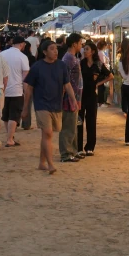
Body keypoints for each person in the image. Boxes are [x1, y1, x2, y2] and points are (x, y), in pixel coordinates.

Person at [22, 39, 77, 175]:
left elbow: (67, 84)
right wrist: (25, 107)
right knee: (48, 133)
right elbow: (29, 88)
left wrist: (73, 99)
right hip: (41, 104)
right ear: (45, 52)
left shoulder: (61, 66)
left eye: (56, 49)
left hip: (56, 104)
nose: (55, 51)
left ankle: (42, 162)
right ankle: (50, 164)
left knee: (48, 134)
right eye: (52, 49)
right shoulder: (37, 67)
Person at [80, 43, 111, 156]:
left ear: (92, 51)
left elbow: (110, 76)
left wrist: (98, 84)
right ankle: (79, 147)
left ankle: (90, 147)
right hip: (81, 94)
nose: (84, 50)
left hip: (92, 95)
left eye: (87, 49)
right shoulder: (81, 63)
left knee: (91, 121)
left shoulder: (98, 64)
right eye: (84, 49)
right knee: (79, 121)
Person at [0, 35, 31, 147]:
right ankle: (9, 139)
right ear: (22, 44)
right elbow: (25, 77)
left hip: (3, 89)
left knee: (6, 114)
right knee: (14, 115)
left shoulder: (2, 54)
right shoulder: (22, 57)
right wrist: (26, 91)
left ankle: (10, 136)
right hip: (16, 90)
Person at [58, 34, 84, 162]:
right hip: (69, 97)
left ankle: (73, 150)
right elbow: (65, 80)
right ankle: (66, 153)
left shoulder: (71, 58)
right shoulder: (69, 59)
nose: (81, 45)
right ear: (74, 44)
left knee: (73, 126)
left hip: (74, 96)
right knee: (68, 127)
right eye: (80, 43)